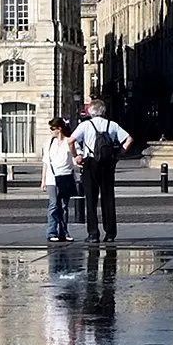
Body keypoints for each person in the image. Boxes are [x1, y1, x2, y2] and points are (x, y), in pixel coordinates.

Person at [70, 101, 133, 242]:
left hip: (90, 163)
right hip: (107, 164)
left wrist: (76, 156)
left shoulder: (85, 125)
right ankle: (110, 233)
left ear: (91, 111)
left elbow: (71, 140)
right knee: (108, 198)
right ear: (103, 111)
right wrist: (118, 155)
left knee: (91, 200)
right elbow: (129, 139)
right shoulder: (112, 125)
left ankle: (93, 233)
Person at [41, 116, 78, 242]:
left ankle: (63, 231)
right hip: (52, 178)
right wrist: (43, 181)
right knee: (53, 205)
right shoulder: (49, 143)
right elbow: (46, 162)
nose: (51, 131)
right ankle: (52, 232)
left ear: (59, 129)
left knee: (63, 206)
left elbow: (75, 158)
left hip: (66, 175)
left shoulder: (70, 142)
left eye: (53, 128)